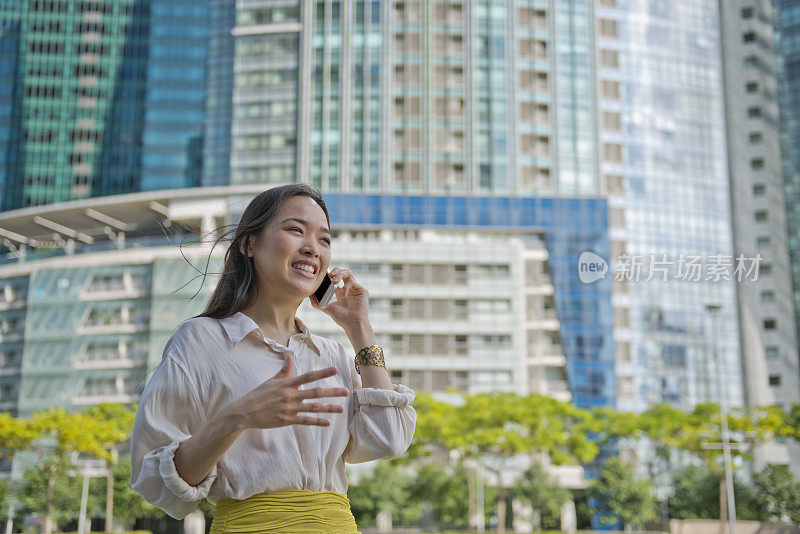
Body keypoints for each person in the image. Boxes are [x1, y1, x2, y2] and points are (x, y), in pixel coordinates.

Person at [130, 184, 417, 533]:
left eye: (324, 239)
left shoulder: (331, 354)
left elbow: (388, 439)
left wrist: (359, 328)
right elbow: (155, 480)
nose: (312, 247)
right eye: (296, 230)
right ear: (249, 244)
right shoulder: (200, 340)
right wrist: (238, 417)